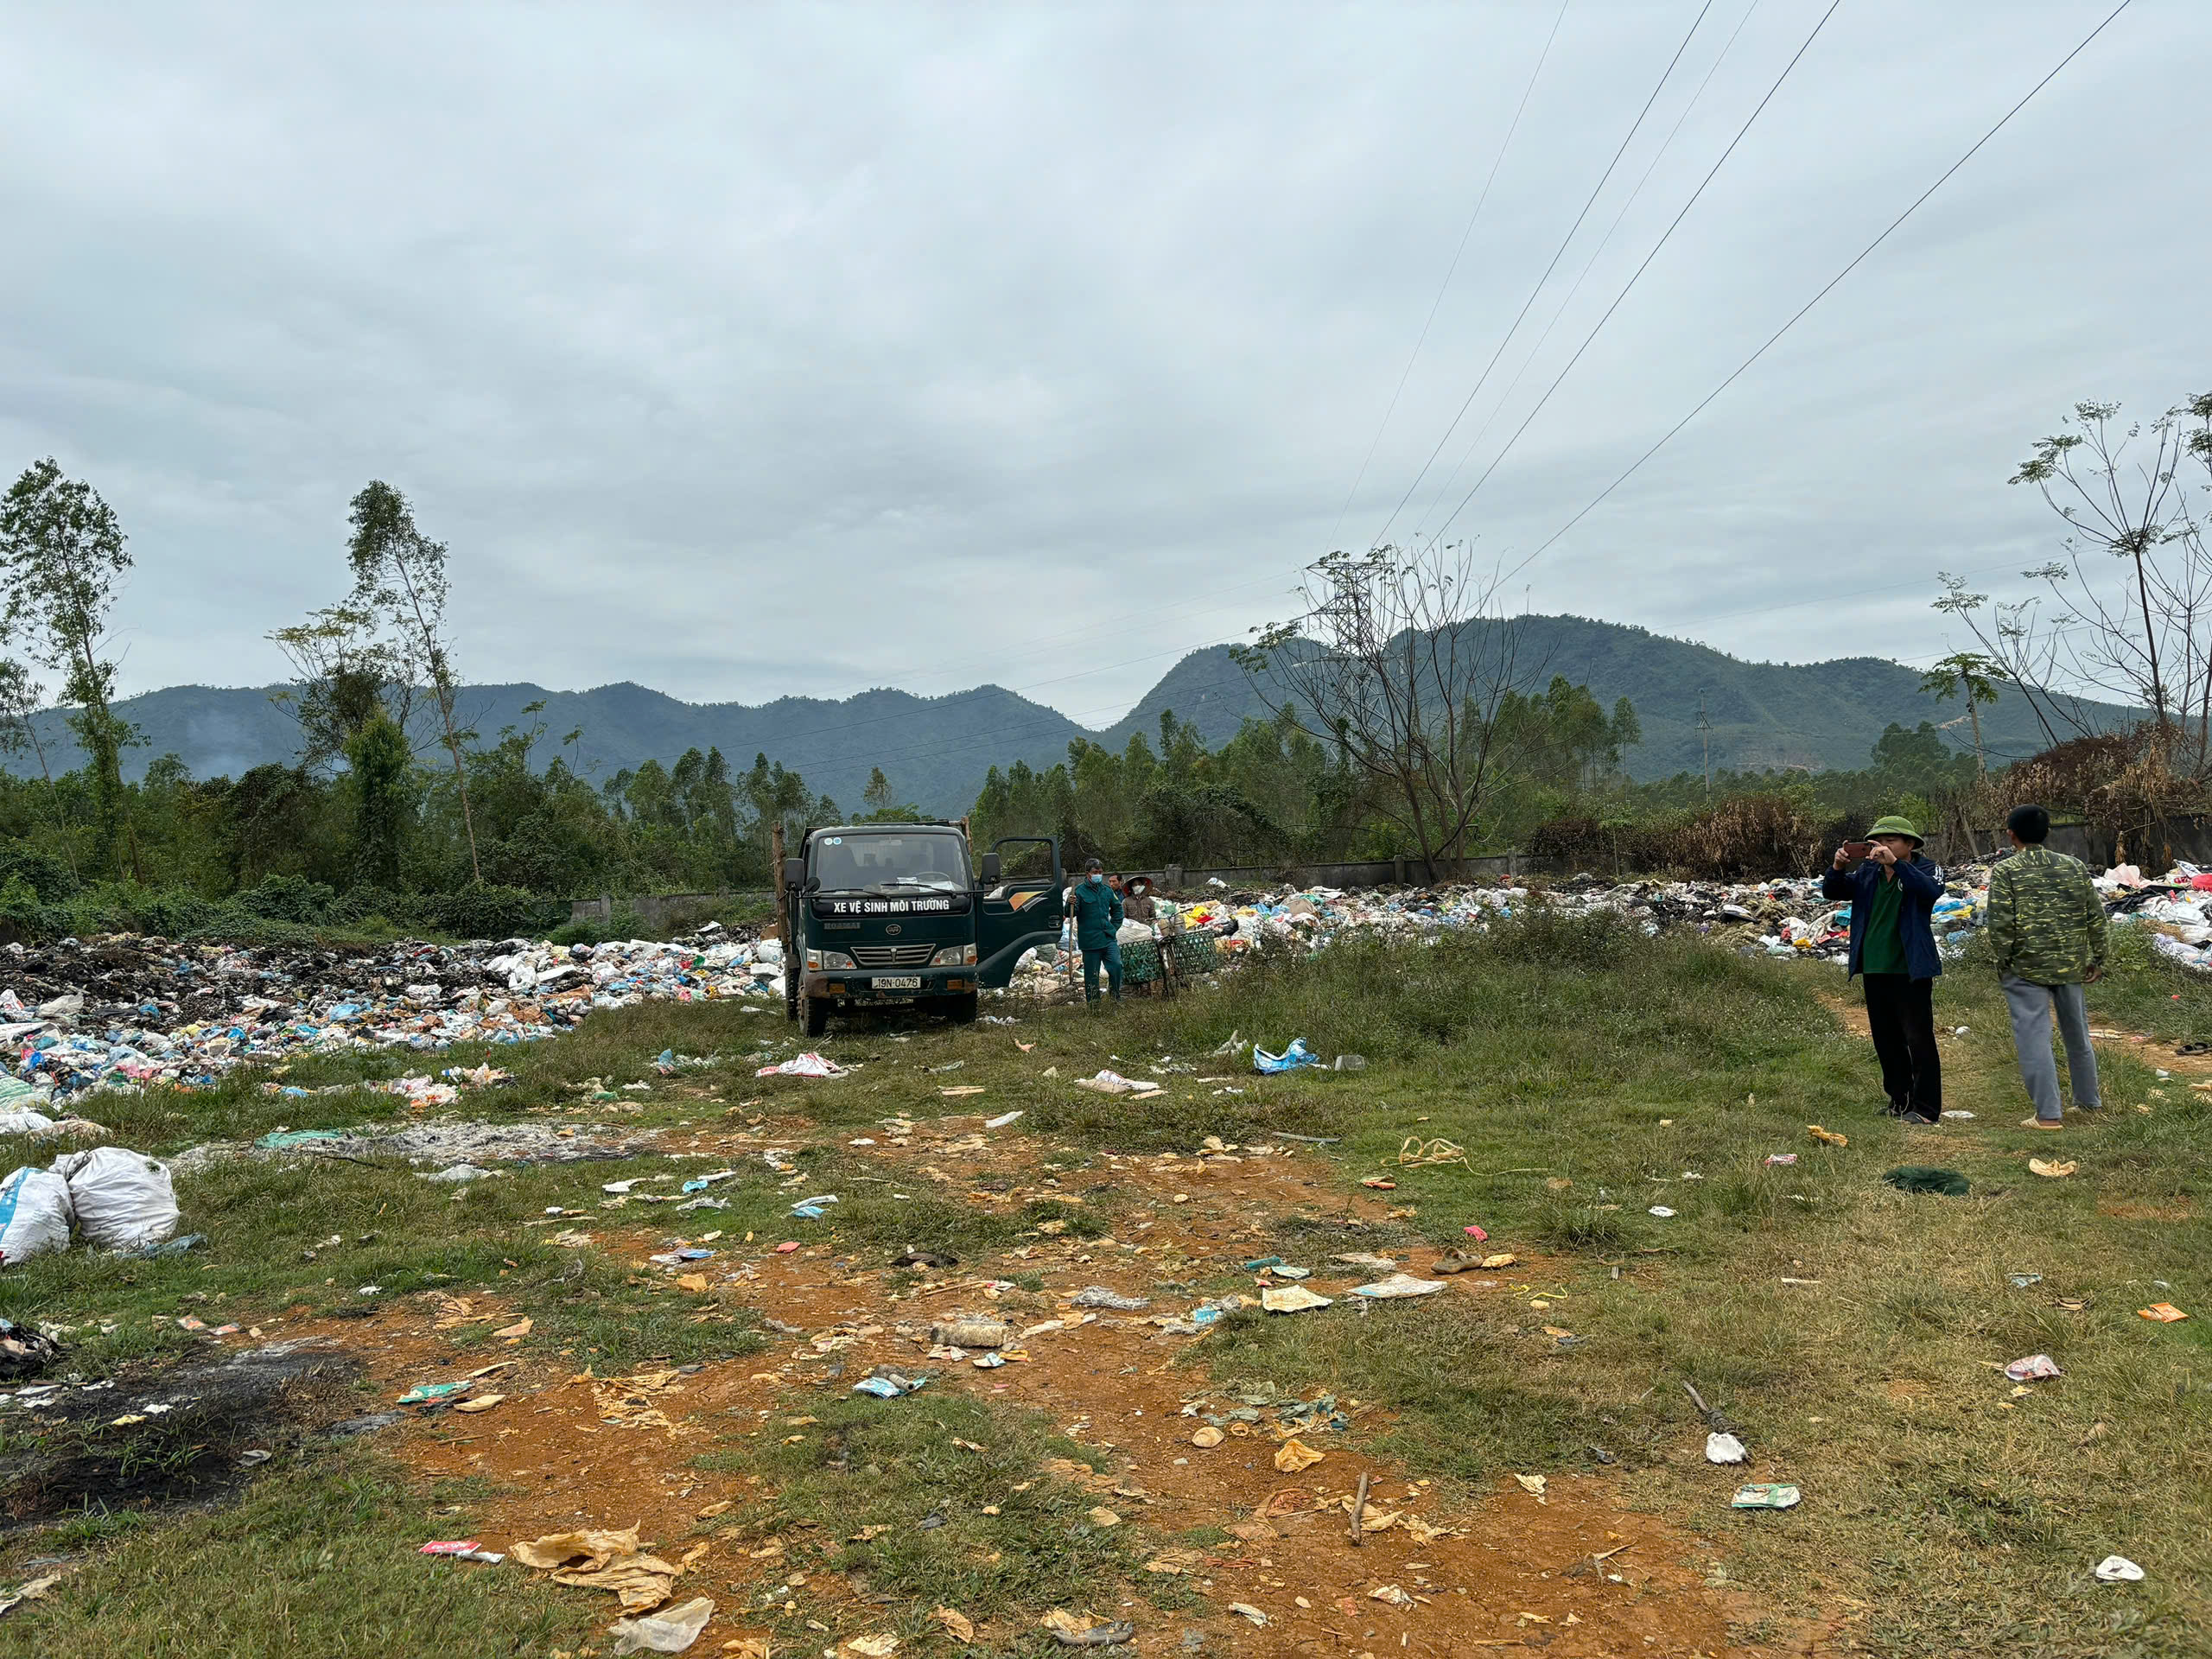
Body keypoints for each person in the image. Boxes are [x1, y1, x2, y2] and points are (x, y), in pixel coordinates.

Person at [1985, 803, 2106, 1130]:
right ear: (2048, 832)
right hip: (2070, 965)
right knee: (2078, 1034)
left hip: (2026, 968)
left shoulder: (2008, 870)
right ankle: (2088, 1101)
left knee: (2034, 1037)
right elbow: (2095, 914)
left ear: (2011, 835)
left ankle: (2049, 1115)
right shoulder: (2074, 866)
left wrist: (2003, 960)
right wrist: (2098, 957)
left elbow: (2000, 923)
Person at [1823, 815, 1945, 1123]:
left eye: (1891, 840)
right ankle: (1899, 1100)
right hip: (1875, 967)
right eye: (1878, 841)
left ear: (1910, 844)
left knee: (1918, 1038)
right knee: (1886, 1039)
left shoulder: (1926, 869)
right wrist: (1837, 867)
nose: (1883, 846)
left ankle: (1927, 1109)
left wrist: (1898, 865)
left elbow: (1931, 892)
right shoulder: (1867, 872)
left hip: (1910, 967)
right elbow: (1833, 891)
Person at [1068, 856, 1124, 1006]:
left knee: (1117, 966)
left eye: (1100, 872)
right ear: (1088, 873)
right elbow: (1070, 913)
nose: (1098, 874)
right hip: (1090, 940)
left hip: (1108, 937)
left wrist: (1114, 927)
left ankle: (1114, 998)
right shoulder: (1078, 892)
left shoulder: (1107, 890)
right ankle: (1094, 1005)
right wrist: (1069, 904)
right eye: (1095, 872)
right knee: (1092, 975)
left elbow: (1118, 909)